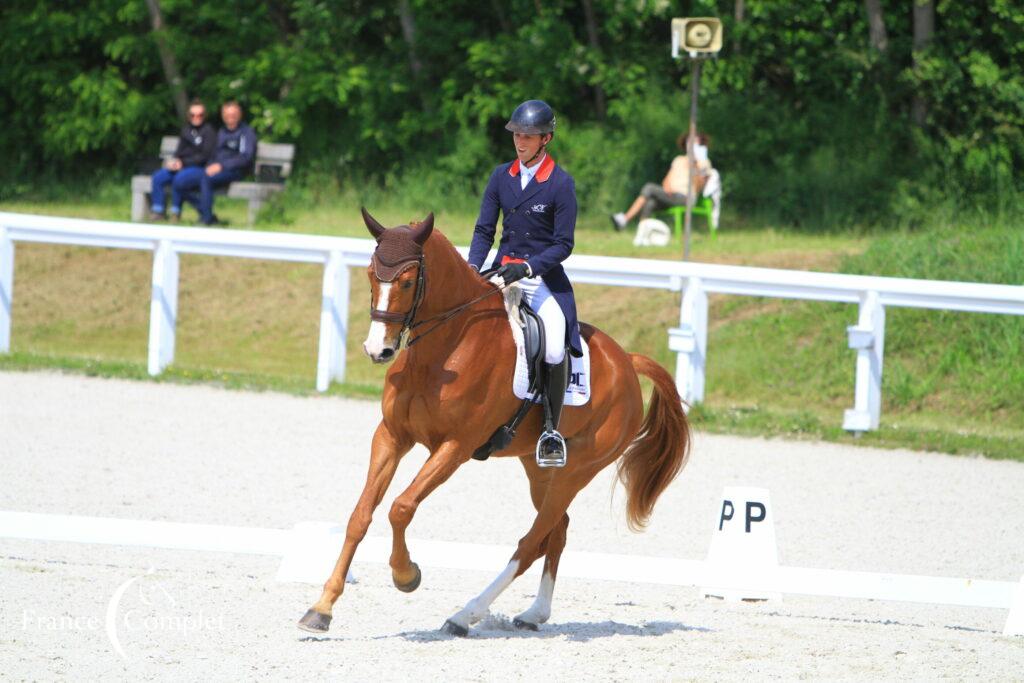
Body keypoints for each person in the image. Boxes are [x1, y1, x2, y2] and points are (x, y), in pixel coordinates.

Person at [468, 99, 582, 467]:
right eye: (517, 134)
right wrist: (473, 267)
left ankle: (550, 429)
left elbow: (563, 244)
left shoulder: (560, 184)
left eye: (529, 136)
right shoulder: (501, 175)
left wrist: (529, 268)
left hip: (541, 278)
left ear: (545, 139)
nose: (520, 141)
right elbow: (485, 229)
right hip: (500, 271)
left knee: (552, 344)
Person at [174, 100, 257, 226]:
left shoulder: (246, 132)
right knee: (181, 182)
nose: (230, 118)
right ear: (223, 116)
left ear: (239, 115)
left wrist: (222, 166)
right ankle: (206, 212)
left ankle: (206, 219)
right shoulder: (221, 132)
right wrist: (210, 165)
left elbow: (246, 157)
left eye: (233, 115)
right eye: (227, 115)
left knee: (206, 179)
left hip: (235, 171)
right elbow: (213, 154)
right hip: (214, 169)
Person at [610, 132, 712, 231]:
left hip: (686, 198)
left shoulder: (704, 163)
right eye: (689, 141)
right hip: (671, 195)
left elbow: (699, 186)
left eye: (695, 142)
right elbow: (666, 180)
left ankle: (625, 219)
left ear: (700, 145)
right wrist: (667, 188)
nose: (691, 144)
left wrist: (695, 166)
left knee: (649, 188)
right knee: (650, 203)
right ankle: (642, 234)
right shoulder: (678, 160)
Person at [148, 99, 216, 222]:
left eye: (200, 115)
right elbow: (179, 152)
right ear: (188, 116)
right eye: (193, 115)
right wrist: (173, 162)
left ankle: (175, 212)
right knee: (158, 177)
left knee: (179, 179)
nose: (196, 117)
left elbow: (205, 156)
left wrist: (183, 163)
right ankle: (158, 211)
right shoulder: (186, 130)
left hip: (198, 168)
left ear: (204, 116)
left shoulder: (209, 131)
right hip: (182, 166)